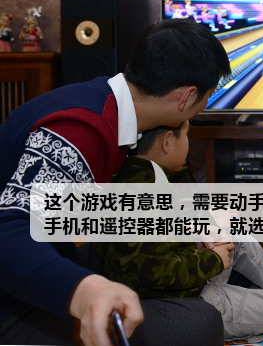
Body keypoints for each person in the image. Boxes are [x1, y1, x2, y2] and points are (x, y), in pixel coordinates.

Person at [0, 18, 231, 345]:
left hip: (47, 260)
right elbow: (10, 231)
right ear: (186, 97)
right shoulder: (81, 131)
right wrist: (86, 292)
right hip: (12, 294)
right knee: (199, 323)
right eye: (207, 96)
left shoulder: (110, 108)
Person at [94, 122, 263, 341]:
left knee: (233, 233)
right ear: (167, 142)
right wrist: (212, 259)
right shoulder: (147, 191)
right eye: (186, 135)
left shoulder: (138, 175)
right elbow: (154, 271)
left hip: (187, 284)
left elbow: (159, 238)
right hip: (189, 300)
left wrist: (199, 230)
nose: (188, 142)